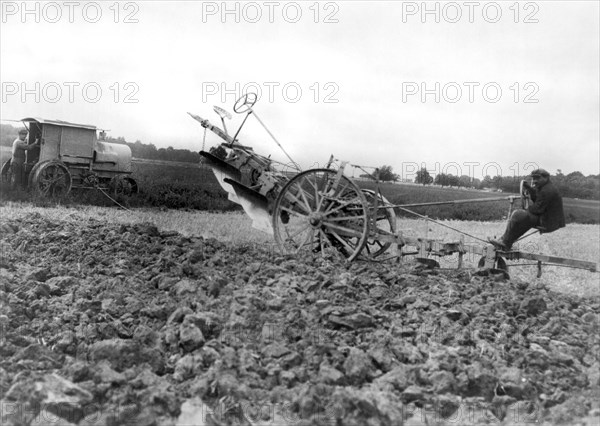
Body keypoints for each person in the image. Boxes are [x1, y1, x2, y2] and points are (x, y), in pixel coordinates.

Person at [489, 168, 565, 250]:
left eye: (537, 178)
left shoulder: (547, 190)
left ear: (545, 178)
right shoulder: (545, 187)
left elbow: (537, 209)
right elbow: (538, 199)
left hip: (548, 222)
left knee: (518, 215)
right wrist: (529, 188)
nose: (535, 181)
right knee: (522, 217)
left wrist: (526, 210)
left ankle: (505, 242)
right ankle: (506, 241)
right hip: (548, 219)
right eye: (533, 178)